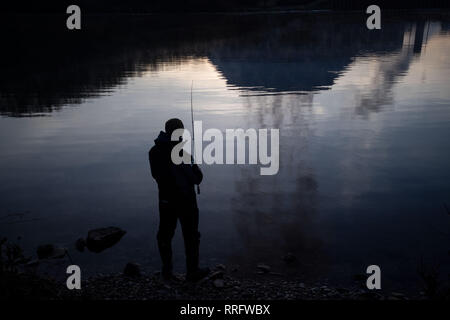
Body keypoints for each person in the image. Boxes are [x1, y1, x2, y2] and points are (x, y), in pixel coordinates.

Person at [149, 118, 209, 282]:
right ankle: (192, 272)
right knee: (191, 236)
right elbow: (197, 178)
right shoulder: (181, 153)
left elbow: (156, 176)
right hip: (185, 202)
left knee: (164, 236)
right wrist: (194, 165)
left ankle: (167, 272)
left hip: (165, 201)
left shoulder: (153, 152)